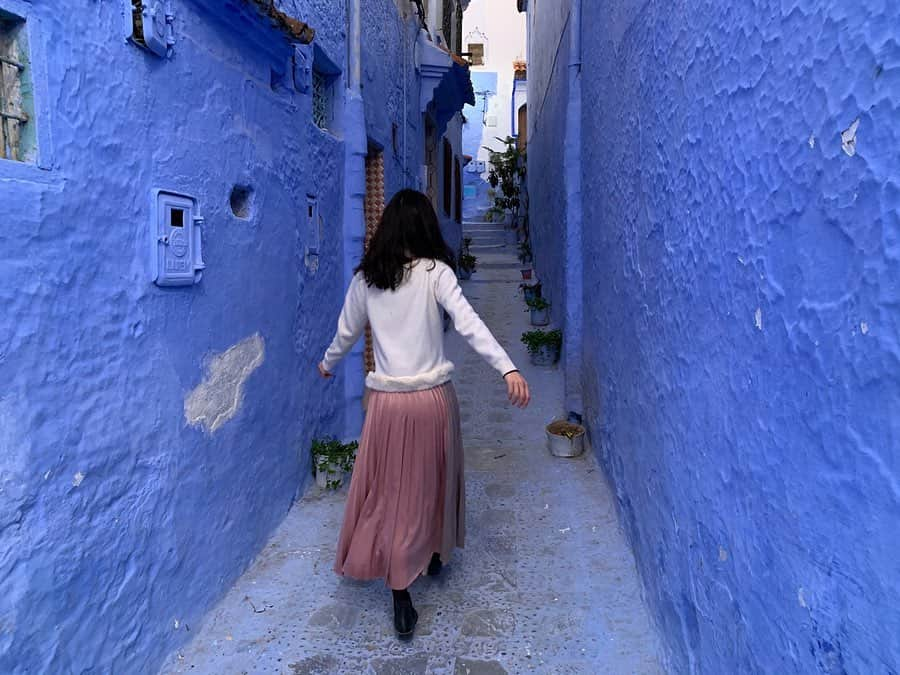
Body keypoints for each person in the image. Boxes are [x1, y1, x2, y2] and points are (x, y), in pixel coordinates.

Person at [318, 189, 530, 639]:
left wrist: (327, 363)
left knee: (391, 493)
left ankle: (401, 591)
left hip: (387, 407)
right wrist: (507, 367)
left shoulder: (366, 280)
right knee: (433, 480)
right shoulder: (437, 274)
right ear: (425, 227)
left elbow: (346, 333)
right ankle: (430, 554)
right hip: (432, 401)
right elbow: (470, 323)